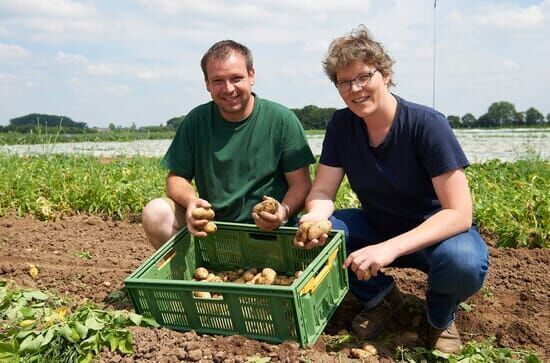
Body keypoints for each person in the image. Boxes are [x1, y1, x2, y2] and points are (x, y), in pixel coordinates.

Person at [295, 26, 489, 353]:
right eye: (344, 82)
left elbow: (459, 213)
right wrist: (315, 217)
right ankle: (382, 298)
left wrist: (390, 248)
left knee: (463, 261)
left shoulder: (426, 124)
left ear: (385, 75)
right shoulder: (342, 125)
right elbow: (323, 192)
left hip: (436, 232)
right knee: (319, 236)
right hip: (378, 223)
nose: (355, 89)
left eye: (364, 77)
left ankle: (439, 317)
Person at [142, 40, 315, 249]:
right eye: (218, 81)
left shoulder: (281, 120)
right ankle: (191, 275)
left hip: (271, 233)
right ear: (207, 84)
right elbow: (176, 177)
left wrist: (283, 212)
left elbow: (302, 183)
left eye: (236, 78)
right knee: (156, 213)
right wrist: (191, 202)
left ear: (251, 76)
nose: (228, 89)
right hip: (214, 229)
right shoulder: (197, 121)